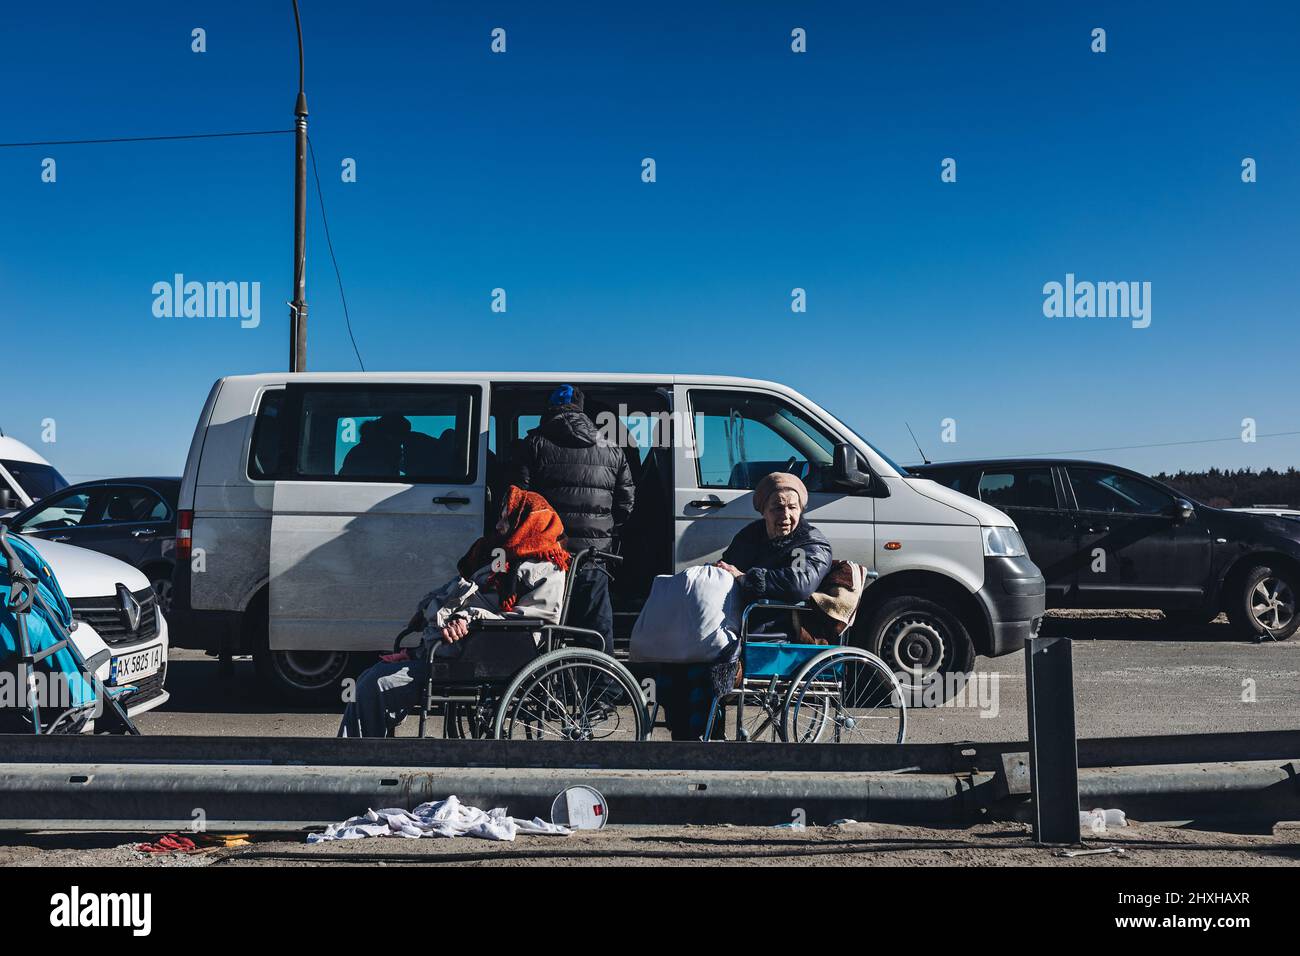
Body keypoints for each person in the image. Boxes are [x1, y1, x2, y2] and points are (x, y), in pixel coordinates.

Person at [338, 486, 570, 737]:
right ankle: (361, 752)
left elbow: (532, 622)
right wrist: (419, 646)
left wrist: (467, 620)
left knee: (376, 684)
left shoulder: (546, 567)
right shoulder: (502, 561)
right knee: (369, 678)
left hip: (486, 658)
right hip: (459, 651)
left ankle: (356, 755)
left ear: (525, 521)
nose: (500, 522)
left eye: (506, 516)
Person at [657, 471, 833, 740]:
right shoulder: (750, 536)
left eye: (792, 507)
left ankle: (706, 739)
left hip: (778, 628)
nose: (785, 515)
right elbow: (728, 568)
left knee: (711, 662)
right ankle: (688, 737)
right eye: (777, 508)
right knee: (680, 656)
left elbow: (799, 584)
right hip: (742, 623)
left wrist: (745, 578)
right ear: (763, 511)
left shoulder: (806, 542)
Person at [511, 385, 634, 653]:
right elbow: (625, 506)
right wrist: (605, 532)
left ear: (549, 409)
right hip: (593, 556)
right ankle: (604, 690)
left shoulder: (532, 445)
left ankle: (542, 686)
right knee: (595, 632)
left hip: (545, 556)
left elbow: (518, 502)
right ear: (582, 410)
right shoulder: (611, 448)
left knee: (544, 629)